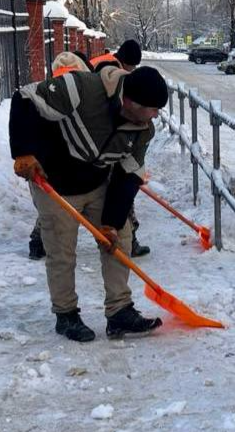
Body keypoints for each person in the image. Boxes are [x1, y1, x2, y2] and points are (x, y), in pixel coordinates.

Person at [10, 61, 169, 341]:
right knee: (61, 252)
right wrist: (23, 151)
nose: (156, 116)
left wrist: (111, 222)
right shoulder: (83, 88)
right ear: (131, 102)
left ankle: (119, 311)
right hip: (54, 185)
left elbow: (128, 175)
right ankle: (66, 314)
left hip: (97, 183)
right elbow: (26, 98)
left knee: (119, 238)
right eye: (153, 109)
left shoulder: (143, 130)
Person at [27, 52, 93, 261]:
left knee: (54, 205)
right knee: (55, 205)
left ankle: (39, 242)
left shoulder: (48, 93)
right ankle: (39, 241)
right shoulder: (50, 98)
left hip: (59, 162)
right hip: (51, 163)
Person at [90, 39, 151, 258]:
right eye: (132, 67)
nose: (131, 72)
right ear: (125, 62)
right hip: (101, 138)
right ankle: (130, 240)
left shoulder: (102, 60)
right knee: (122, 195)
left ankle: (38, 240)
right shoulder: (114, 73)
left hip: (97, 136)